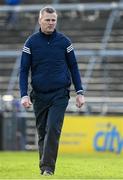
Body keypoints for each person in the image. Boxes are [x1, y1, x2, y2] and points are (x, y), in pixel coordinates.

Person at [19, 6, 85, 176]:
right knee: (42, 133)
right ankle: (44, 167)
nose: (50, 23)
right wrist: (24, 94)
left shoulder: (65, 42)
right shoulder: (30, 43)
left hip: (59, 94)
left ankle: (48, 168)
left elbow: (74, 67)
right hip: (39, 95)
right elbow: (24, 70)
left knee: (53, 128)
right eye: (47, 20)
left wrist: (80, 92)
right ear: (40, 20)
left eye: (53, 20)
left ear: (56, 21)